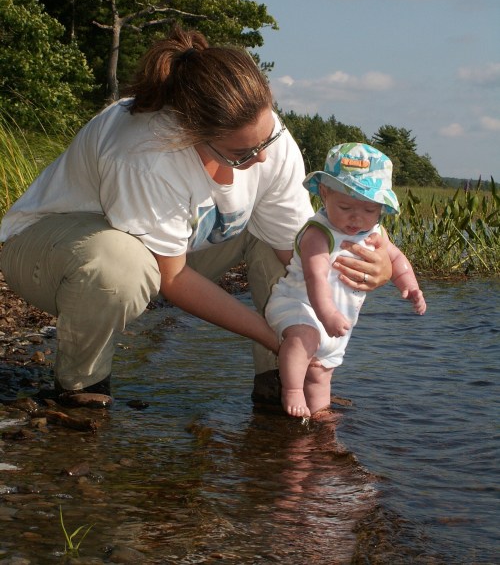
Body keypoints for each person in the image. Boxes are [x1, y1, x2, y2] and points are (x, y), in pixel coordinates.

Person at [0, 26, 392, 408]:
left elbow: (300, 254)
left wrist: (368, 273)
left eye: (267, 138)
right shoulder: (144, 152)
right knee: (119, 262)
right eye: (242, 153)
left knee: (291, 244)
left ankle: (285, 381)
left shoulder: (267, 139)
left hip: (166, 253)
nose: (262, 158)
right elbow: (172, 278)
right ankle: (80, 387)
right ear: (191, 133)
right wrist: (279, 335)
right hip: (51, 251)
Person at [266, 143, 426, 419]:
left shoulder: (374, 232)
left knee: (321, 373)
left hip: (338, 322)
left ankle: (320, 416)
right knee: (305, 337)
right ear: (325, 194)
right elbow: (315, 275)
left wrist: (410, 285)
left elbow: (396, 260)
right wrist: (326, 313)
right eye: (345, 206)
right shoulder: (319, 232)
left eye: (369, 210)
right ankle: (291, 390)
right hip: (299, 305)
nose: (357, 218)